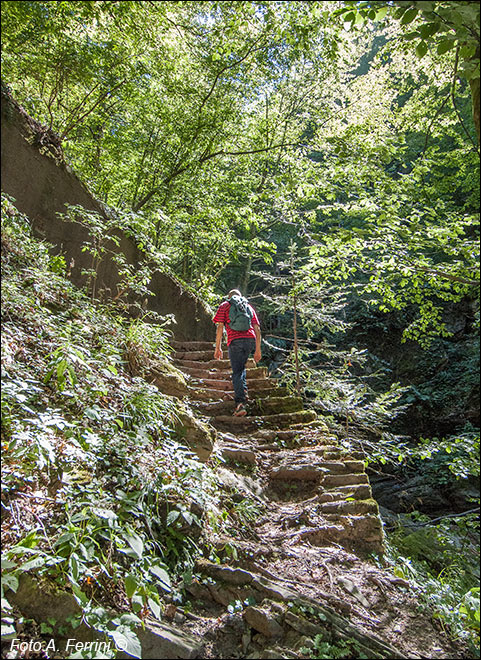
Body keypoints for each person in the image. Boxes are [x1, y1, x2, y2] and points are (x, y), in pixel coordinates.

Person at [212, 289, 261, 417]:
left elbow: (220, 327)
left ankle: (240, 404)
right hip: (250, 340)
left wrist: (218, 347)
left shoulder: (225, 306)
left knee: (237, 372)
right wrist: (258, 349)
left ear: (229, 297)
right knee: (241, 367)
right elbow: (257, 329)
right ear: (240, 297)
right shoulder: (248, 307)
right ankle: (243, 391)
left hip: (235, 341)